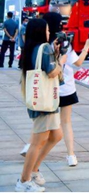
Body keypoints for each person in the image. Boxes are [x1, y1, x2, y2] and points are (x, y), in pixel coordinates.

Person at [22, 13, 89, 168]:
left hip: (47, 91)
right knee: (65, 122)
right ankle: (71, 155)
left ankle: (29, 146)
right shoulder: (64, 43)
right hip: (65, 88)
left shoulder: (41, 44)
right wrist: (87, 46)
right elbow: (78, 63)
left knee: (41, 121)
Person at [16, 18, 63, 192]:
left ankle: (34, 170)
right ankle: (24, 180)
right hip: (45, 103)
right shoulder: (44, 49)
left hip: (43, 101)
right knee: (37, 142)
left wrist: (54, 54)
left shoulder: (32, 49)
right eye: (47, 30)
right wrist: (59, 61)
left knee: (56, 135)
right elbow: (52, 72)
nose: (49, 33)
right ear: (40, 32)